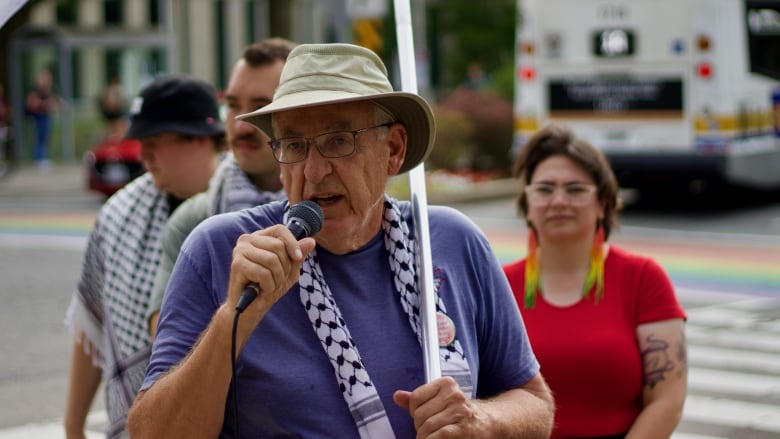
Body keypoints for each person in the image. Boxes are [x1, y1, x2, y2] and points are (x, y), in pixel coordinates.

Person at [128, 43, 554, 438]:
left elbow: (534, 402)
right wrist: (231, 321)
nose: (313, 171)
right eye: (293, 144)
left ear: (394, 149)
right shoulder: (220, 250)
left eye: (338, 141)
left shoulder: (451, 241)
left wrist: (481, 421)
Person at [64, 75, 225, 439]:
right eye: (141, 144)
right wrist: (73, 427)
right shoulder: (119, 215)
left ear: (200, 139)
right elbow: (93, 320)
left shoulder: (242, 208)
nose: (144, 156)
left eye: (154, 143)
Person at [502, 123, 688, 438]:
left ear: (603, 203)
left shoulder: (643, 278)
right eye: (544, 189)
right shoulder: (498, 285)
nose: (558, 201)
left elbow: (667, 400)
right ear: (527, 205)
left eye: (575, 189)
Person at [146, 37, 296, 339]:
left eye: (261, 107)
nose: (240, 125)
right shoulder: (194, 220)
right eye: (232, 105)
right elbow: (166, 338)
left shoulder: (333, 212)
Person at [25, 69, 58, 168]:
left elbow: (54, 101)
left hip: (46, 115)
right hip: (37, 116)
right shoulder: (35, 89)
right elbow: (32, 102)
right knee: (39, 137)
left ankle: (44, 158)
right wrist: (44, 104)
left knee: (45, 137)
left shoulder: (49, 90)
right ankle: (39, 159)